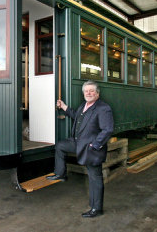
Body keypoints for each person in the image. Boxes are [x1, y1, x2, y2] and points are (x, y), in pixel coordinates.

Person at [47, 80, 114, 218]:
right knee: (60, 146)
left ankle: (96, 208)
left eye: (91, 91)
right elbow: (75, 115)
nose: (88, 93)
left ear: (97, 93)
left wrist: (95, 145)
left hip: (91, 148)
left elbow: (107, 129)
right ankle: (61, 174)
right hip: (78, 143)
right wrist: (64, 107)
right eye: (86, 91)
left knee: (95, 178)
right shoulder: (84, 105)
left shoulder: (103, 108)